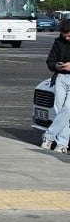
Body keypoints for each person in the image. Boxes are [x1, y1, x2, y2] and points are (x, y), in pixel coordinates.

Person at [40, 18, 70, 153]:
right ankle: (62, 143)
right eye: (65, 36)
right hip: (60, 78)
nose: (67, 38)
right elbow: (50, 61)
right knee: (59, 110)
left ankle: (49, 136)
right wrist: (56, 66)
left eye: (69, 35)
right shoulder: (58, 42)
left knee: (68, 108)